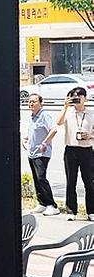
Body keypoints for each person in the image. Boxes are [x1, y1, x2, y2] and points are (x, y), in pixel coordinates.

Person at [57, 87, 94, 221]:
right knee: (71, 181)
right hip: (71, 149)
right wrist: (65, 106)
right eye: (73, 96)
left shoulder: (91, 113)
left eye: (79, 96)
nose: (76, 98)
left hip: (86, 150)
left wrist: (90, 135)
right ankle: (71, 211)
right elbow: (58, 122)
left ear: (85, 98)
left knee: (89, 182)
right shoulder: (68, 112)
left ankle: (91, 211)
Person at [23, 94, 59, 216]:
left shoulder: (44, 115)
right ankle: (42, 203)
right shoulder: (33, 116)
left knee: (41, 178)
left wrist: (45, 143)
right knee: (36, 179)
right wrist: (26, 139)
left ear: (40, 103)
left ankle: (52, 205)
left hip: (42, 153)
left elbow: (53, 129)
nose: (31, 104)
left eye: (34, 102)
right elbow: (34, 131)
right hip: (32, 152)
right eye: (29, 102)